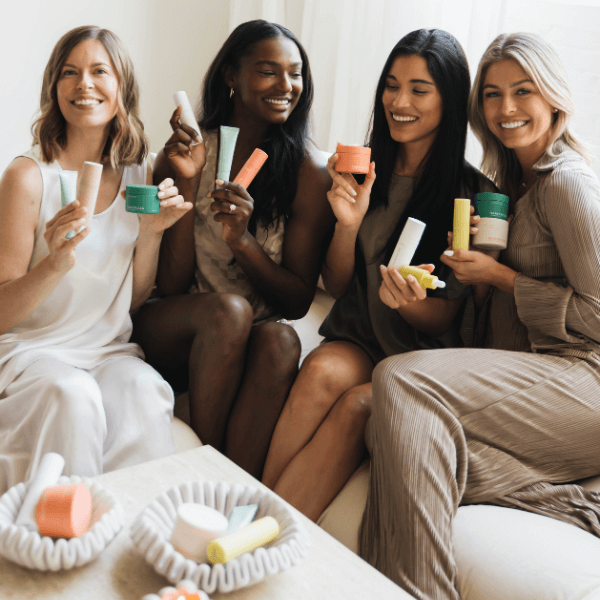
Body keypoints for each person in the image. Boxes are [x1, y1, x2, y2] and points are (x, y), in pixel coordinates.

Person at [359, 32, 600, 600]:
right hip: (543, 383)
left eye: (523, 92)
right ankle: (579, 499)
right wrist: (474, 272)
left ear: (554, 100)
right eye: (492, 95)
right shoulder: (512, 185)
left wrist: (499, 278)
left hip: (586, 380)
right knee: (391, 433)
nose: (507, 109)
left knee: (399, 378)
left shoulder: (567, 183)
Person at [262, 29, 495, 520]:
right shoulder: (362, 168)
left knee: (358, 408)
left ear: (449, 100)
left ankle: (268, 535)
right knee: (320, 372)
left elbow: (441, 320)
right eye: (391, 85)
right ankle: (256, 513)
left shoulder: (472, 196)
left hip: (423, 358)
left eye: (419, 89)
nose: (399, 101)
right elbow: (340, 284)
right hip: (363, 337)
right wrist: (347, 226)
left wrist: (410, 301)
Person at [131, 20, 333, 479]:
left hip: (254, 328)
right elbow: (173, 282)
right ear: (231, 76)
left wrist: (241, 241)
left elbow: (297, 301)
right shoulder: (188, 154)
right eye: (268, 71)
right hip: (178, 326)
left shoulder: (308, 173)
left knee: (281, 339)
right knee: (229, 312)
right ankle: (204, 465)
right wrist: (184, 178)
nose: (286, 86)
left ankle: (230, 486)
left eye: (295, 73)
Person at [0, 26, 192, 493]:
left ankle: (137, 537)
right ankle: (68, 545)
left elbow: (131, 301)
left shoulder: (139, 172)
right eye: (70, 73)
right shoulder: (28, 177)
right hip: (32, 353)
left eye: (98, 71)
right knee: (74, 396)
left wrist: (150, 236)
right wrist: (55, 262)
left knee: (145, 391)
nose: (84, 84)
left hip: (107, 350)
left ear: (122, 88)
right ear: (54, 88)